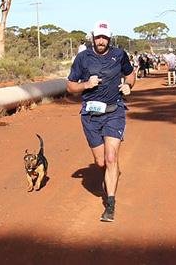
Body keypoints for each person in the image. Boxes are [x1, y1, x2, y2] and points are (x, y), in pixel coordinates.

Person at [66, 20, 135, 222]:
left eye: (105, 37)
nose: (101, 40)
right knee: (101, 162)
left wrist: (129, 86)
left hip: (115, 111)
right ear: (93, 37)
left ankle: (110, 204)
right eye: (98, 37)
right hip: (90, 116)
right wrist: (87, 84)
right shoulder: (82, 58)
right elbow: (70, 87)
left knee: (111, 157)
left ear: (109, 38)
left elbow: (130, 75)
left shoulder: (119, 55)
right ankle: (111, 172)